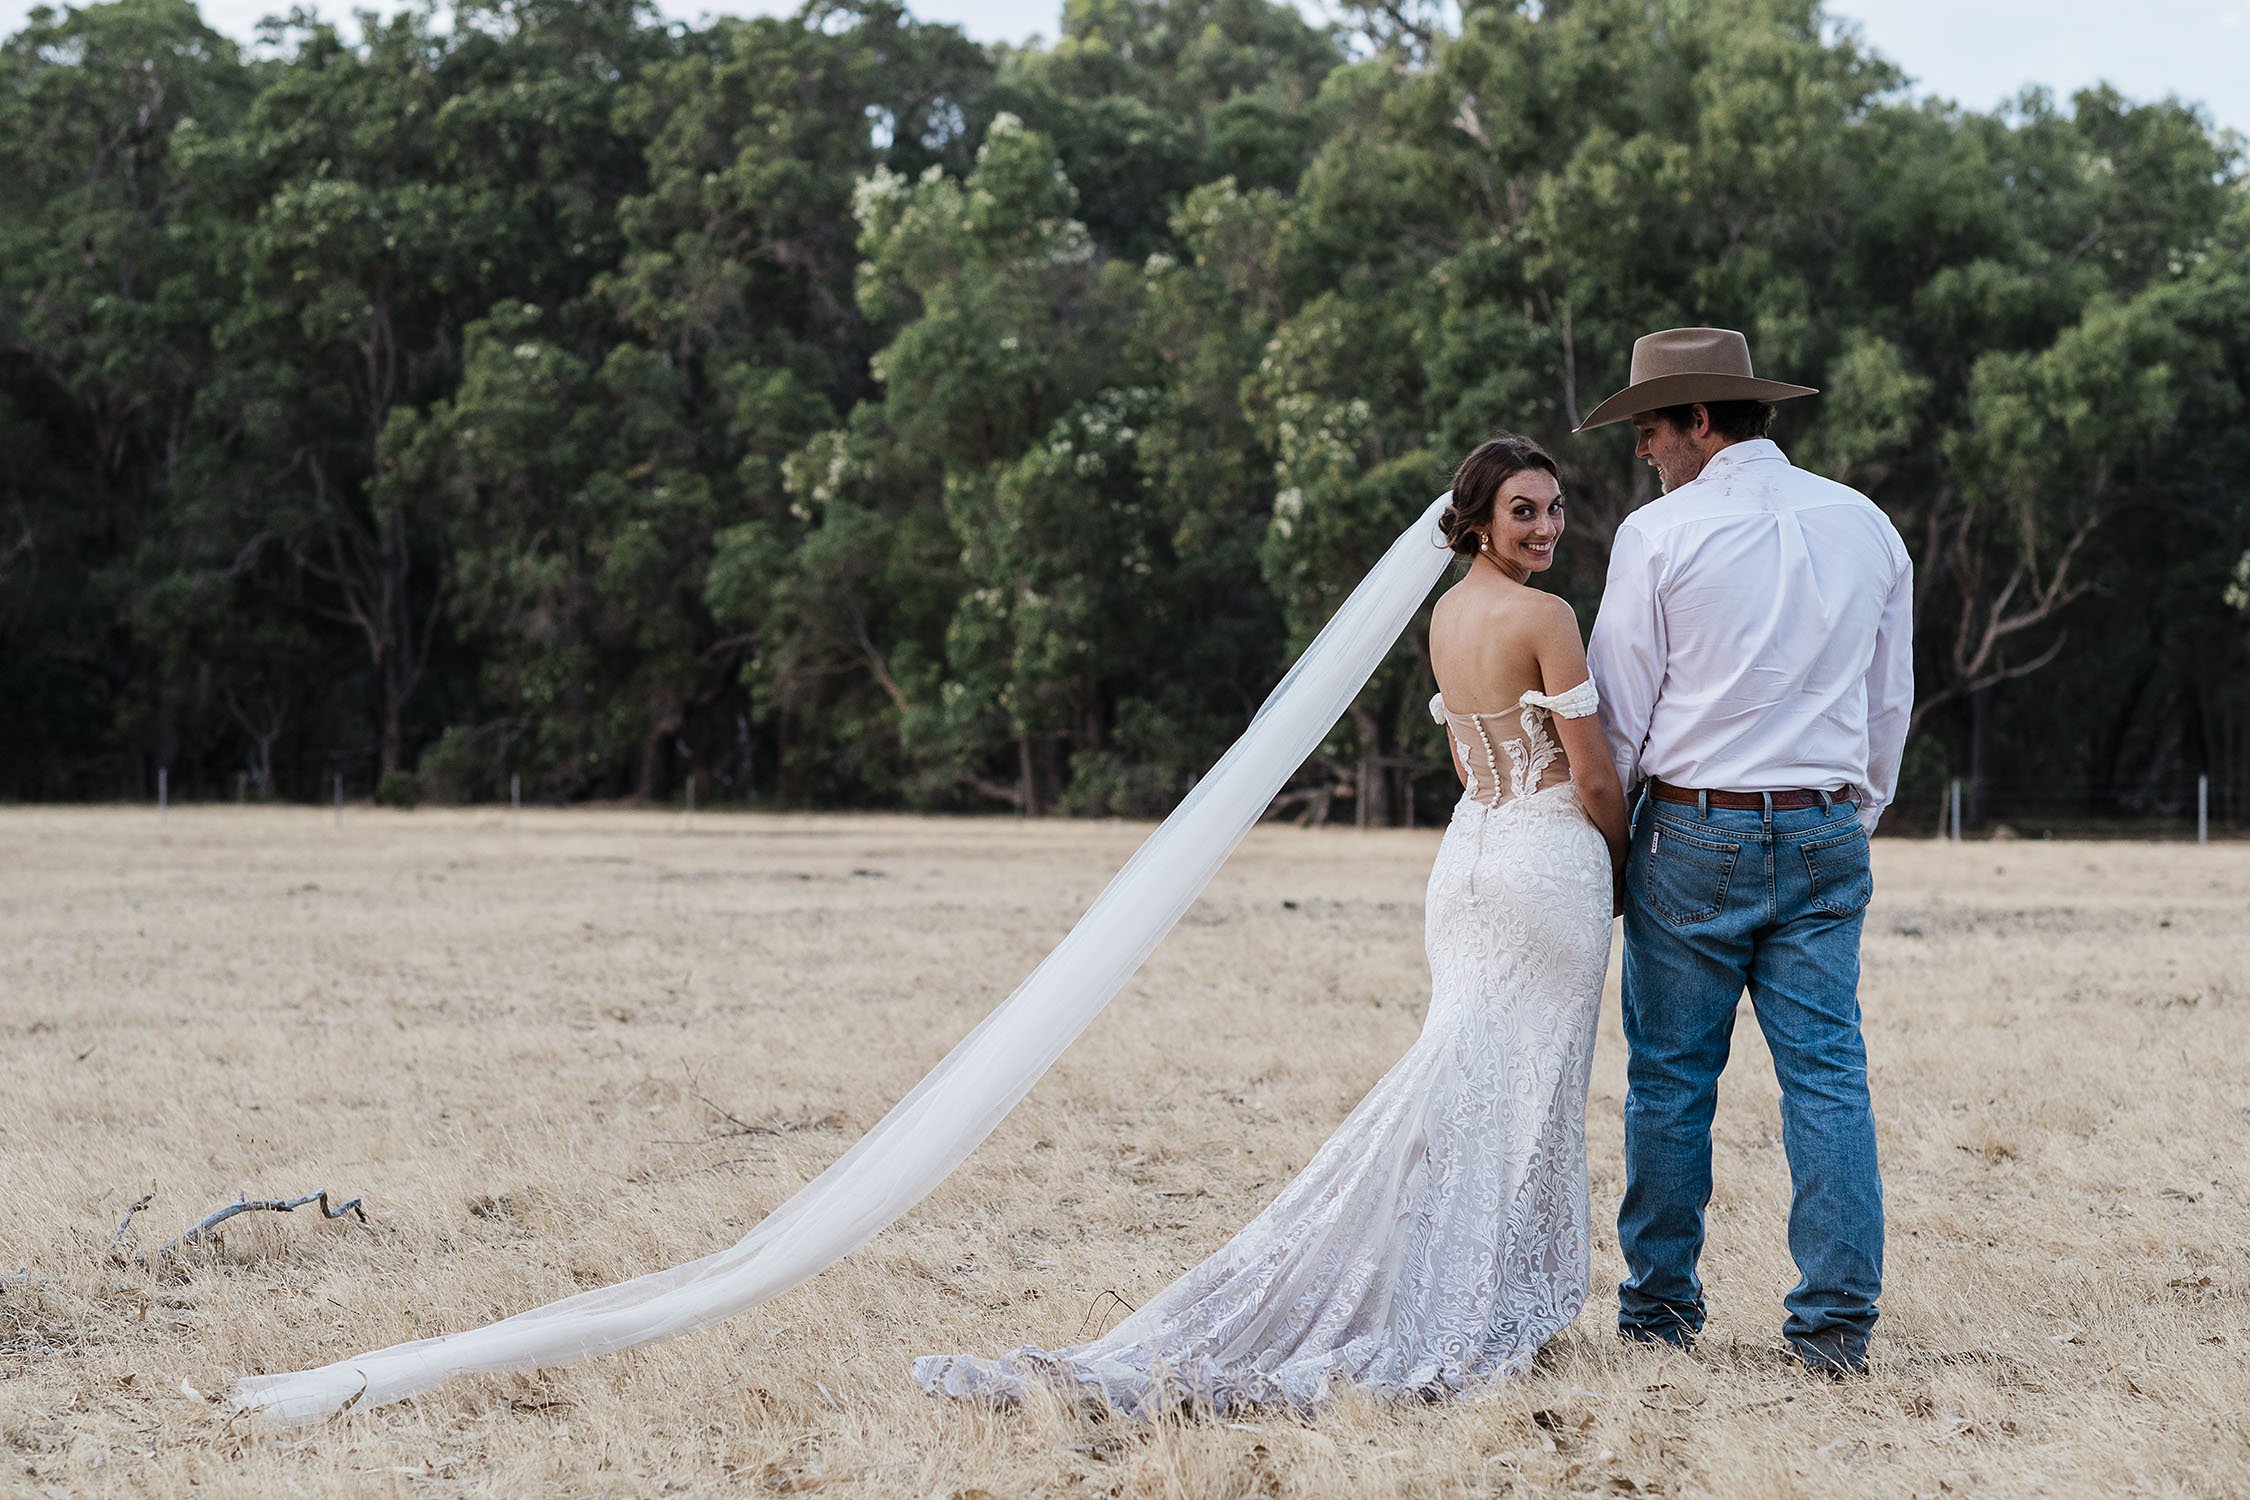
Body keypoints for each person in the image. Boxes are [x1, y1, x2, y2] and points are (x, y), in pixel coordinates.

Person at [914, 436, 1628, 1413]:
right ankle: (1464, 1306)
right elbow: (1590, 773)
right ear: (1477, 521)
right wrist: (1621, 862)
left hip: (1470, 858)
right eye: (1524, 512)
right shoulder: (1545, 615)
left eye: (1553, 507)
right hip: (1544, 860)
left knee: (1461, 1087)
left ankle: (1448, 1285)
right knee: (1522, 1095)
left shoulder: (1448, 614)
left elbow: (1471, 767)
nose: (1546, 527)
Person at [1579, 327, 1914, 1376]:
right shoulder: (1865, 524)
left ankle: (1661, 1316)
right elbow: (1888, 703)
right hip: (1823, 821)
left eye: (1650, 428)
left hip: (1693, 824)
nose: (1643, 450)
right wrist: (1848, 817)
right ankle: (1833, 1328)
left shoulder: (1659, 536)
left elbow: (1620, 716)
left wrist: (1627, 848)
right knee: (1829, 1078)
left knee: (1672, 1079)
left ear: (1702, 422)